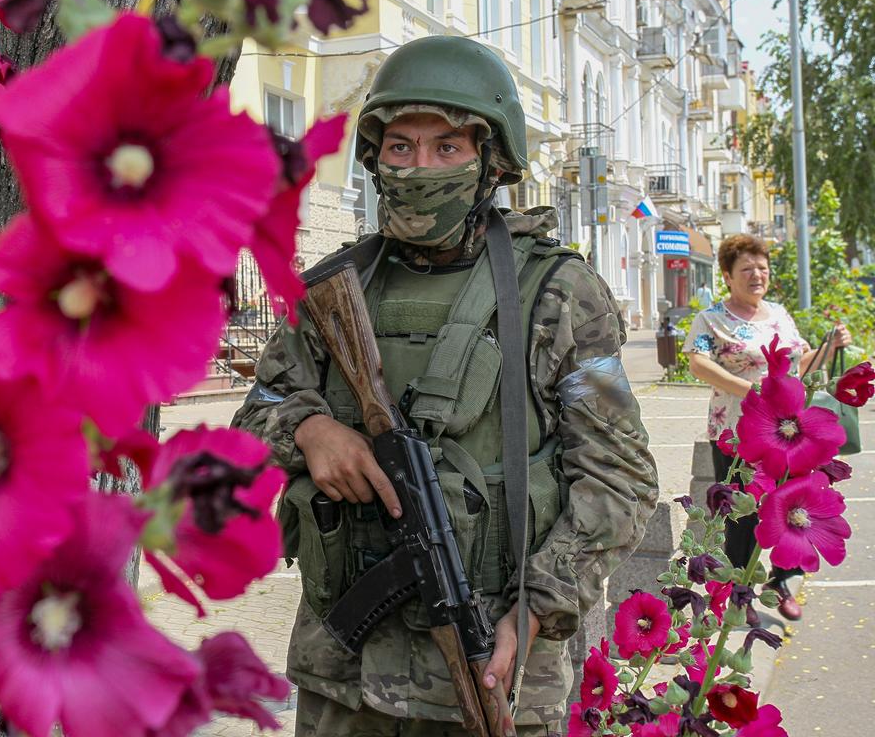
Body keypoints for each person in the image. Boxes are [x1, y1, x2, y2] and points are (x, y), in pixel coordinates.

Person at [232, 36, 659, 736]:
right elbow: (259, 410)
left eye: (447, 148)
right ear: (374, 159)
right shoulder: (336, 290)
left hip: (493, 659)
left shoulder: (557, 293)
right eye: (400, 148)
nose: (418, 167)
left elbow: (620, 478)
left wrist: (536, 607)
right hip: (345, 677)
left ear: (492, 161)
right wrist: (311, 431)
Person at [683, 233, 851, 620]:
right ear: (727, 275)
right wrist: (752, 389)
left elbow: (800, 364)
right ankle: (739, 589)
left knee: (794, 504)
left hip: (790, 437)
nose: (757, 274)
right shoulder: (712, 319)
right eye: (746, 268)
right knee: (741, 512)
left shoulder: (778, 313)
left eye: (762, 267)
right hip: (739, 435)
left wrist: (832, 345)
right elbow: (698, 363)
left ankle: (781, 581)